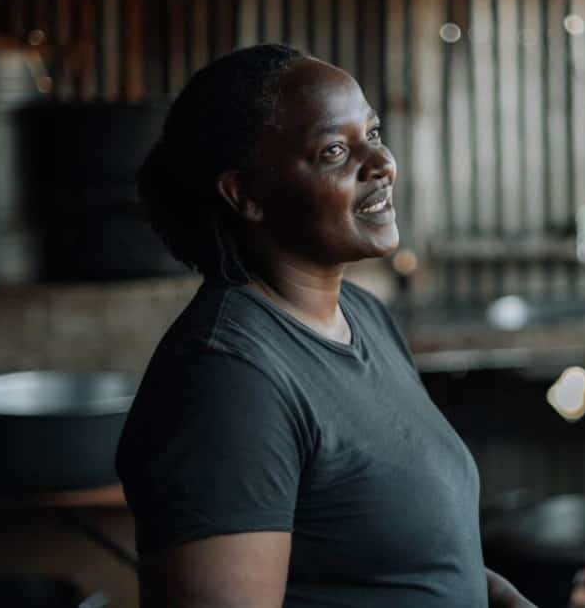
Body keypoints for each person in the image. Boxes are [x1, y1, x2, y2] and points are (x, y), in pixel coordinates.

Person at [116, 44, 535, 608]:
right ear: (245, 194)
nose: (381, 163)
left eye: (374, 133)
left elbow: (410, 559)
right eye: (335, 150)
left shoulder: (364, 317)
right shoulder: (227, 381)